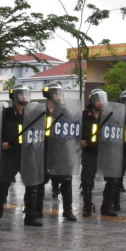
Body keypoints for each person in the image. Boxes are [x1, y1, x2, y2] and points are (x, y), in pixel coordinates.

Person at [0, 85, 42, 225]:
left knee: (31, 185)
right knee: (3, 184)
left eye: (26, 94)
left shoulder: (32, 114)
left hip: (27, 155)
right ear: (14, 96)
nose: (24, 96)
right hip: (10, 155)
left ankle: (30, 216)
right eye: (21, 94)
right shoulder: (5, 114)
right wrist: (1, 143)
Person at [40, 84, 78, 220]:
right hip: (44, 151)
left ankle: (68, 210)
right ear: (49, 94)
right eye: (56, 93)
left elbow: (73, 127)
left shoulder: (65, 111)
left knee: (67, 181)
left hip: (62, 151)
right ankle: (35, 209)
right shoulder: (40, 111)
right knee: (39, 181)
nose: (59, 96)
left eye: (60, 93)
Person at [79, 89, 119, 217]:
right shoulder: (84, 115)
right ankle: (87, 207)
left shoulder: (109, 115)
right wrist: (79, 141)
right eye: (97, 100)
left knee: (113, 179)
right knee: (87, 181)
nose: (100, 103)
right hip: (89, 152)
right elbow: (75, 131)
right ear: (91, 101)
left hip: (105, 153)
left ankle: (106, 207)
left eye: (102, 100)